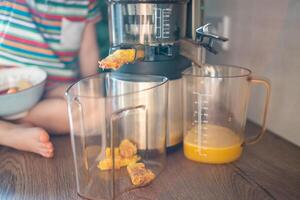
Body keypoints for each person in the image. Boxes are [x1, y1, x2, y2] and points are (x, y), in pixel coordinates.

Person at [0, 0, 101, 158]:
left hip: (54, 86)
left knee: (88, 109)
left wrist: (90, 88)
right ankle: (7, 133)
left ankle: (15, 119)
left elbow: (88, 50)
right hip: (6, 82)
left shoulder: (84, 3)